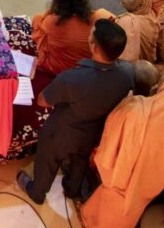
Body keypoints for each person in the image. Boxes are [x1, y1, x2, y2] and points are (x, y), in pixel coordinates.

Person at [18, 19, 135, 204]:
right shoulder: (127, 74)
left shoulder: (74, 78)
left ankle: (37, 192)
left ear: (94, 47)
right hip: (94, 131)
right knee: (80, 161)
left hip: (62, 132)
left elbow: (43, 101)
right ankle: (72, 189)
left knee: (47, 159)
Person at [79, 59, 164, 228]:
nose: (160, 78)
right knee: (129, 213)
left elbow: (108, 147)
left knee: (106, 212)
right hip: (149, 189)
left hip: (119, 182)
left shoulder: (135, 109)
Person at [31, 0, 98, 79]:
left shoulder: (53, 21)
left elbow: (41, 21)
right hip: (85, 68)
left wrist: (52, 10)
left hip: (57, 68)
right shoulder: (94, 18)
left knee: (37, 20)